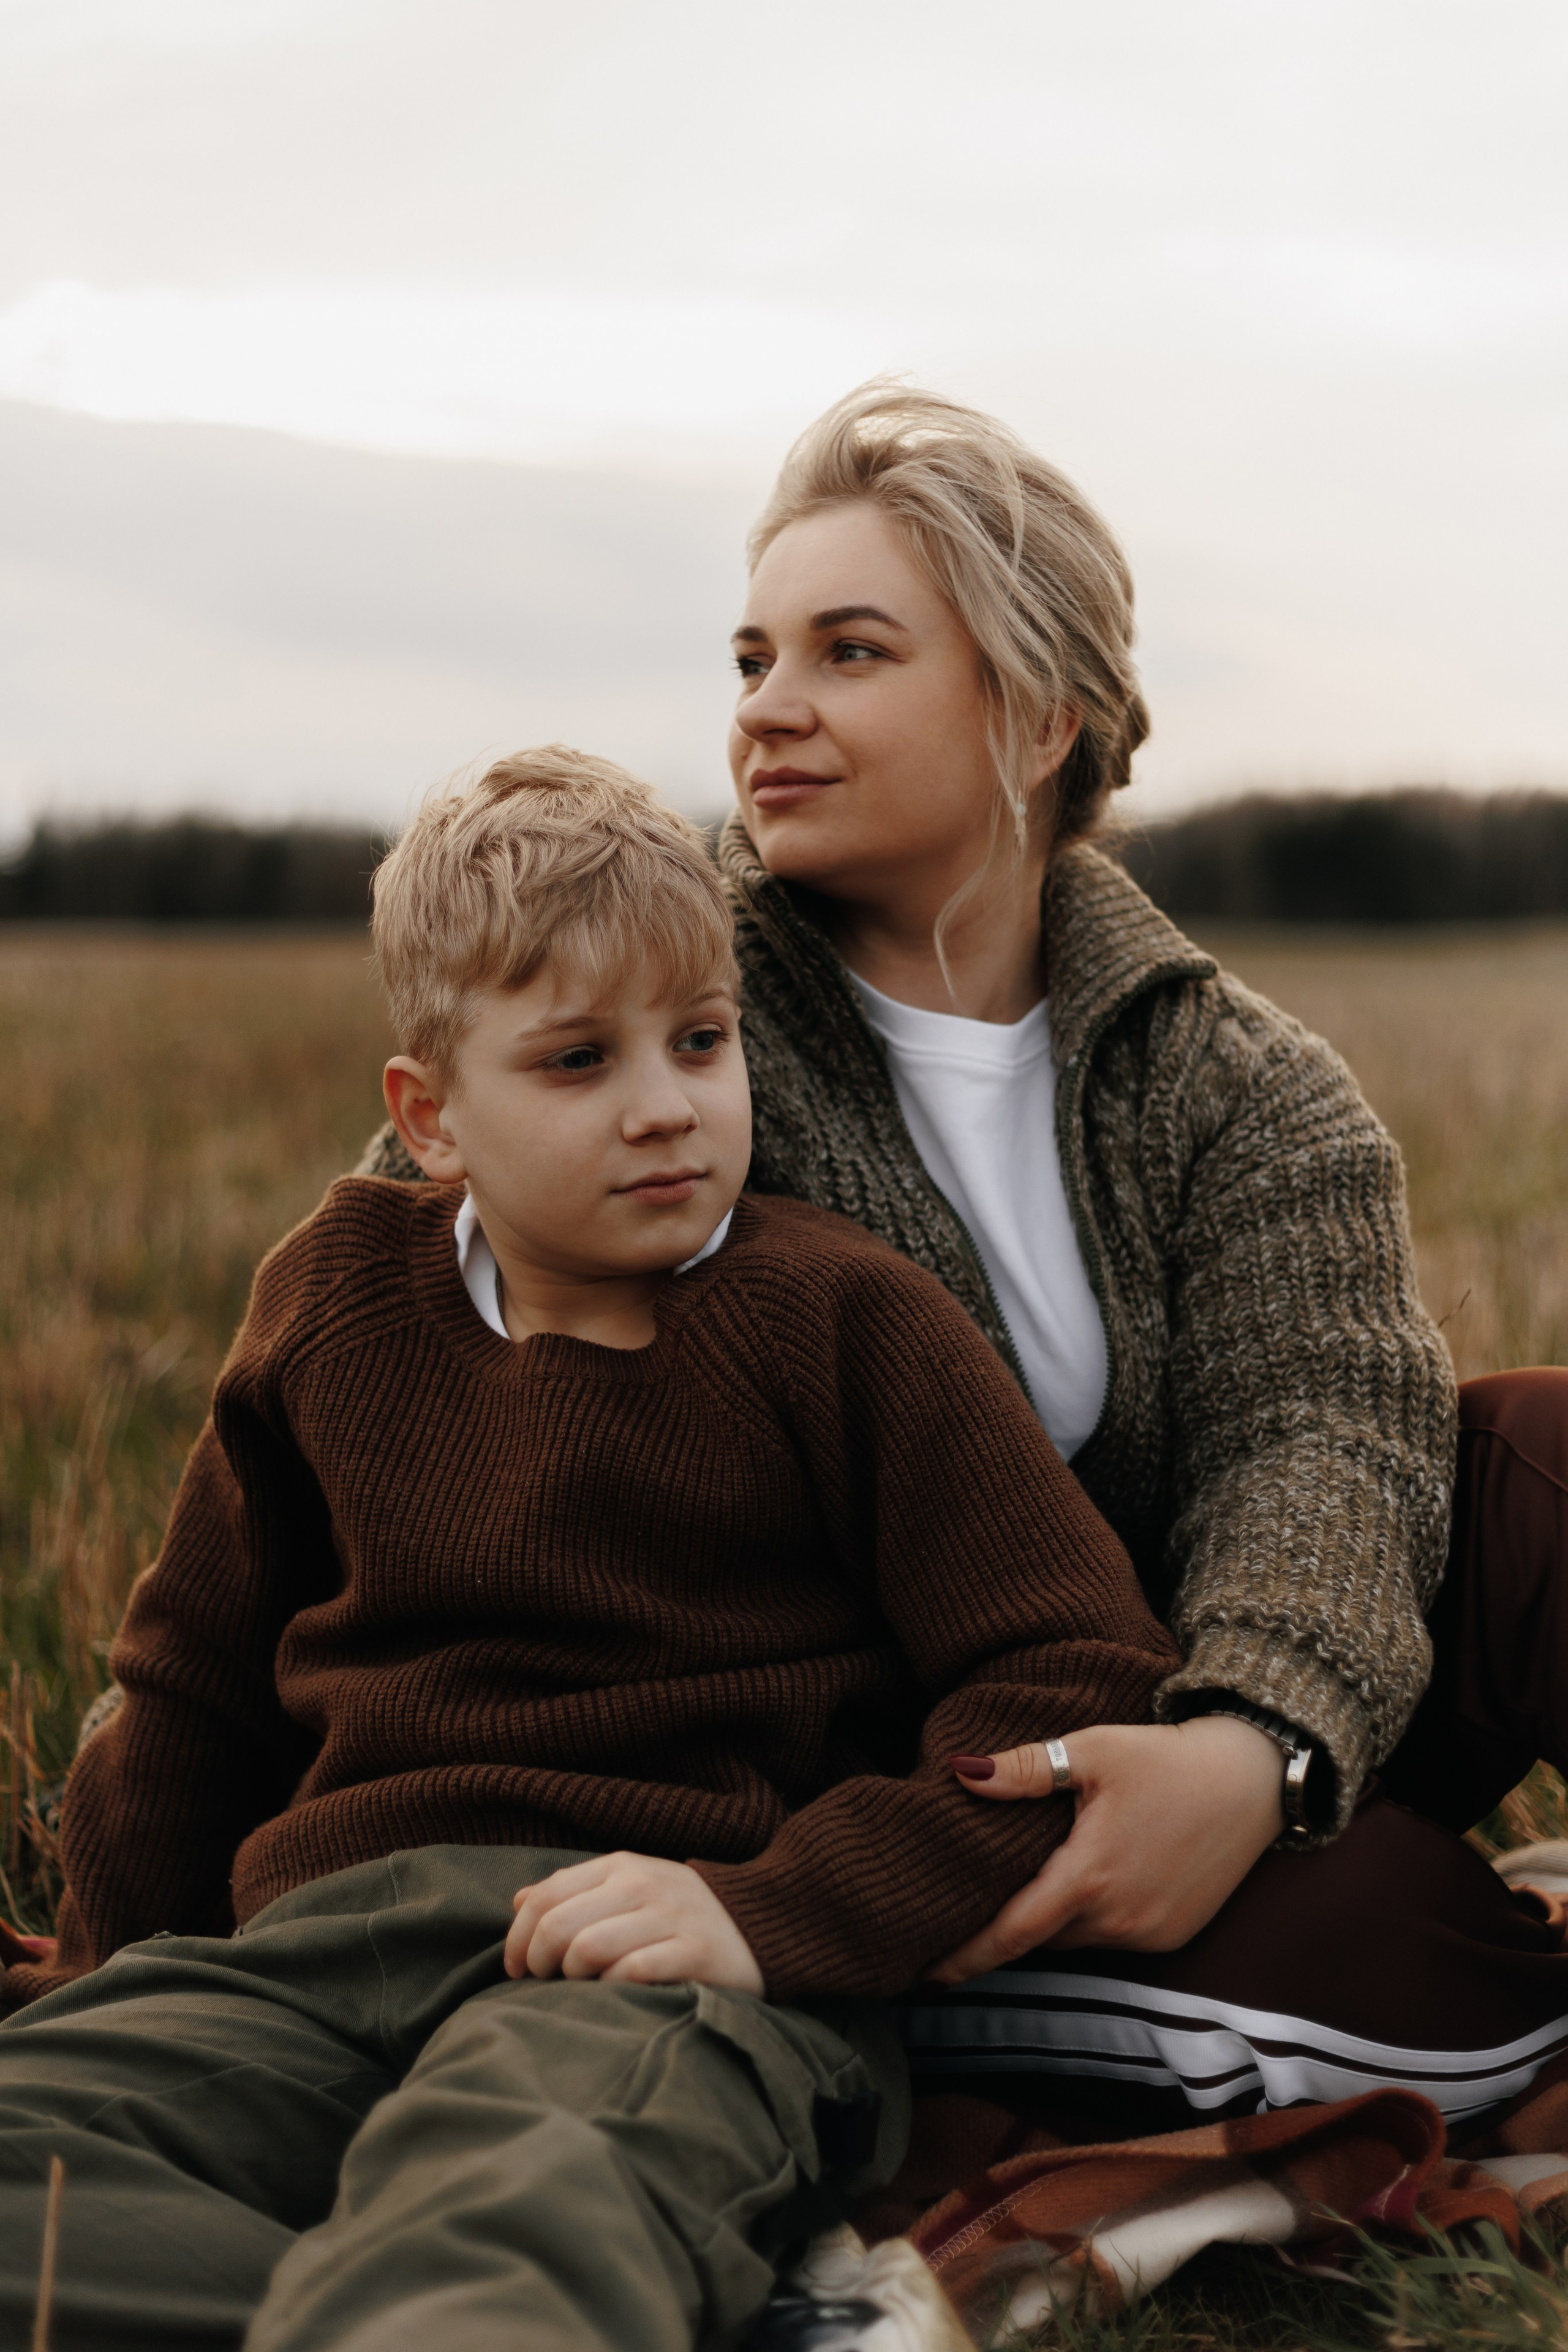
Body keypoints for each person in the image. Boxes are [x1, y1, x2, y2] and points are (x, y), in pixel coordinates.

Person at [356, 382, 1568, 2138]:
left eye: (849, 654)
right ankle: (924, 2014)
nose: (769, 710)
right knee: (1418, 1955)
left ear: (1041, 712)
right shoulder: (650, 1019)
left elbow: (1326, 1446)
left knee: (1532, 1454)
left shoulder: (1235, 1079)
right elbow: (371, 1363)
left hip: (1193, 1710)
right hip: (882, 1784)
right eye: (753, 658)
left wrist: (1252, 1750)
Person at [0, 749, 1179, 2350]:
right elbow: (187, 1689)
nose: (665, 1105)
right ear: (430, 1118)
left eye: (701, 1041)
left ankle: (471, 2292)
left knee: (521, 2193)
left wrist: (776, 1912)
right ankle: (466, 2301)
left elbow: (1074, 1677)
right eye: (576, 1061)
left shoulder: (841, 1319)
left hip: (660, 1980)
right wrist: (116, 1994)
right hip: (326, 1954)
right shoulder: (332, 1300)